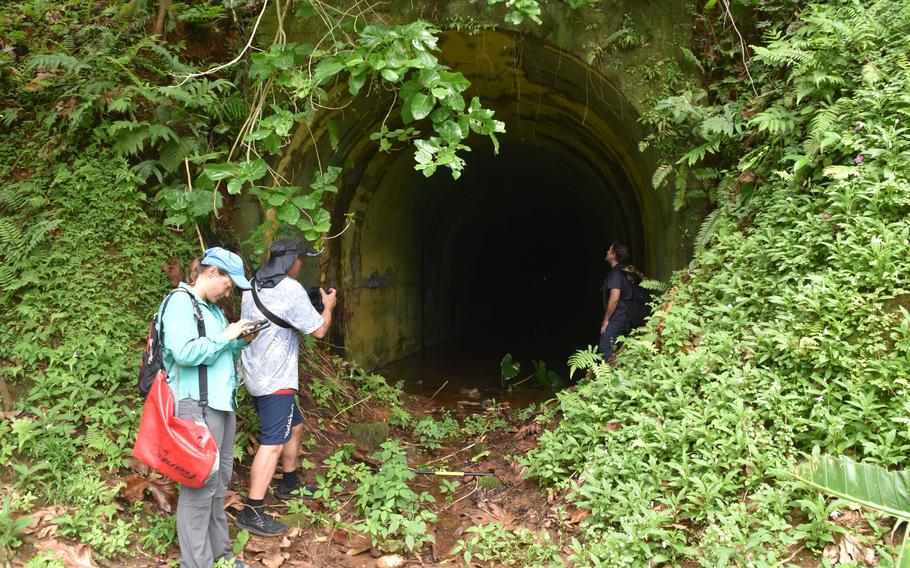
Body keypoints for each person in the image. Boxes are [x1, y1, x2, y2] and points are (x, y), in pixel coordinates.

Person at [159, 247, 256, 568]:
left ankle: (222, 556)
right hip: (195, 408)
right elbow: (184, 352)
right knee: (199, 488)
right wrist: (227, 335)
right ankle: (196, 563)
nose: (228, 292)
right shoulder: (179, 303)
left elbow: (217, 352)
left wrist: (239, 340)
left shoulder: (211, 310)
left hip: (221, 407)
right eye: (228, 285)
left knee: (218, 486)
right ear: (212, 272)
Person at [235, 238, 337, 537]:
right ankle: (252, 511)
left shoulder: (252, 285)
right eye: (301, 260)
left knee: (295, 427)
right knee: (272, 443)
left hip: (256, 373)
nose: (302, 264)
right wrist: (327, 306)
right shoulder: (290, 289)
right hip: (275, 380)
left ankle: (289, 483)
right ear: (291, 261)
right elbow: (319, 330)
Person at [599, 241, 633, 361]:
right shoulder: (624, 271)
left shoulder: (615, 274)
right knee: (619, 345)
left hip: (620, 316)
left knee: (605, 345)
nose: (607, 252)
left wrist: (605, 320)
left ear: (613, 255)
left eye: (609, 250)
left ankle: (611, 376)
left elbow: (614, 298)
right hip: (627, 315)